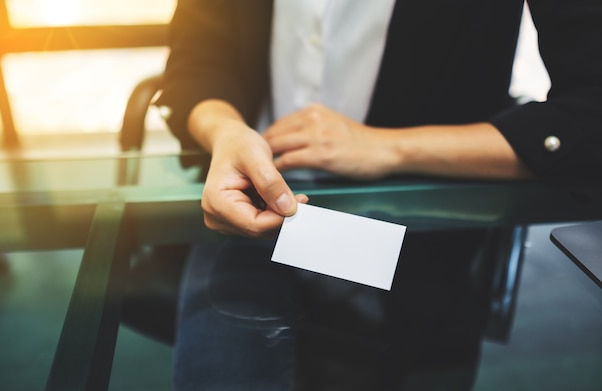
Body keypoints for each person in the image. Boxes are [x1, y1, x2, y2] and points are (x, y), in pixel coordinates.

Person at [155, 1, 602, 389]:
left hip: (410, 234)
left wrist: (385, 146)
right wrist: (226, 131)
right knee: (221, 366)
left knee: (377, 360)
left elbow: (590, 114)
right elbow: (197, 58)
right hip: (256, 214)